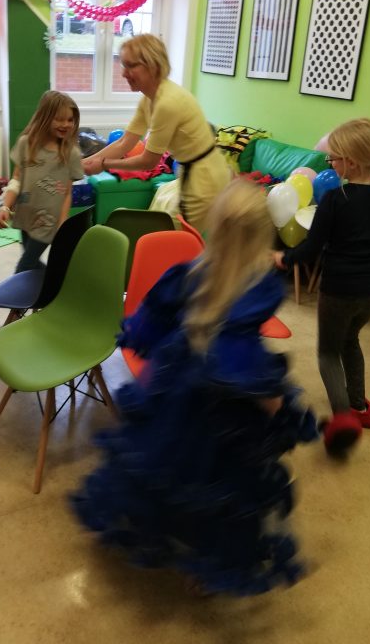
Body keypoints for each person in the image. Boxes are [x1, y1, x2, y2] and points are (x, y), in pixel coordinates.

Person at [72, 180, 318, 596]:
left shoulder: (187, 274)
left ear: (212, 229)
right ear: (262, 237)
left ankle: (150, 529)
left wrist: (157, 343)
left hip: (176, 388)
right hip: (221, 411)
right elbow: (240, 360)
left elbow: (148, 324)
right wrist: (275, 403)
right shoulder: (256, 290)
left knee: (166, 469)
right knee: (217, 487)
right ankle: (204, 566)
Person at [274, 118, 370, 456]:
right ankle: (360, 407)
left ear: (350, 161)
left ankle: (343, 418)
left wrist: (283, 258)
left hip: (339, 290)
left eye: (332, 158)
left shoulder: (336, 198)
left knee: (328, 351)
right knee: (351, 339)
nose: (330, 164)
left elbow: (310, 249)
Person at [81, 34, 230, 236]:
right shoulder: (149, 99)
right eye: (123, 65)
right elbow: (125, 142)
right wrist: (85, 163)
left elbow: (148, 161)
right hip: (193, 172)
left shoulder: (167, 103)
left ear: (153, 66)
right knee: (178, 238)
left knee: (180, 240)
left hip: (205, 177)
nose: (123, 73)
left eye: (130, 66)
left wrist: (104, 164)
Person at [0, 90, 83, 273]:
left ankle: (39, 288)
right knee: (32, 265)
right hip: (25, 214)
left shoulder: (71, 154)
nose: (66, 124)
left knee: (23, 267)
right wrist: (5, 206)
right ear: (45, 117)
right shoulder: (26, 144)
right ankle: (54, 283)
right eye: (59, 119)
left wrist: (62, 222)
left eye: (70, 120)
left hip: (48, 222)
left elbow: (67, 193)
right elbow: (16, 180)